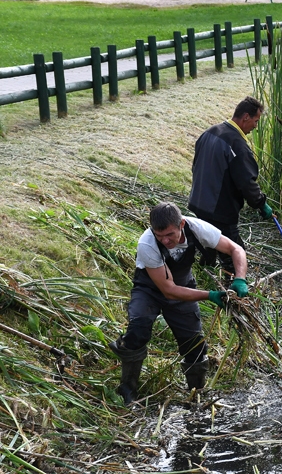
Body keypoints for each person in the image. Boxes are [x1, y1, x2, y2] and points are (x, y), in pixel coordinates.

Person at [110, 202, 249, 404]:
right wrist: (210, 295)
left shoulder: (198, 228)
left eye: (170, 235)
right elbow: (168, 290)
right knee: (138, 330)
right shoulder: (147, 244)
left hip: (184, 286)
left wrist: (240, 279)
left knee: (195, 345)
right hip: (150, 290)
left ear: (181, 224)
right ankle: (127, 389)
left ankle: (196, 394)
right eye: (160, 236)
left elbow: (236, 249)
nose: (165, 240)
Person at [188, 96, 273, 277]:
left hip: (198, 202)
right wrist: (261, 203)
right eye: (256, 121)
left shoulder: (210, 132)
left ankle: (203, 275)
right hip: (219, 210)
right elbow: (246, 183)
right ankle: (233, 294)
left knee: (208, 243)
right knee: (234, 252)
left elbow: (195, 165)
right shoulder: (238, 146)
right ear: (245, 118)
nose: (256, 126)